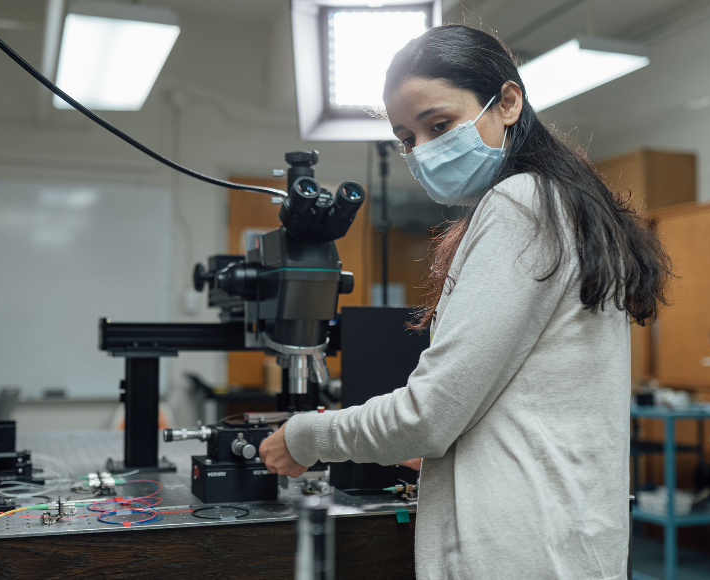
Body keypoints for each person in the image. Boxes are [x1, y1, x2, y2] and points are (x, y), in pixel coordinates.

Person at [259, 24, 670, 579]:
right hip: (568, 543)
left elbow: (429, 416)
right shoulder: (564, 204)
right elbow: (520, 405)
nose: (422, 151)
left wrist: (306, 436)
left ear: (507, 102)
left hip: (515, 551)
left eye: (439, 124)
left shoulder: (520, 204)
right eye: (407, 139)